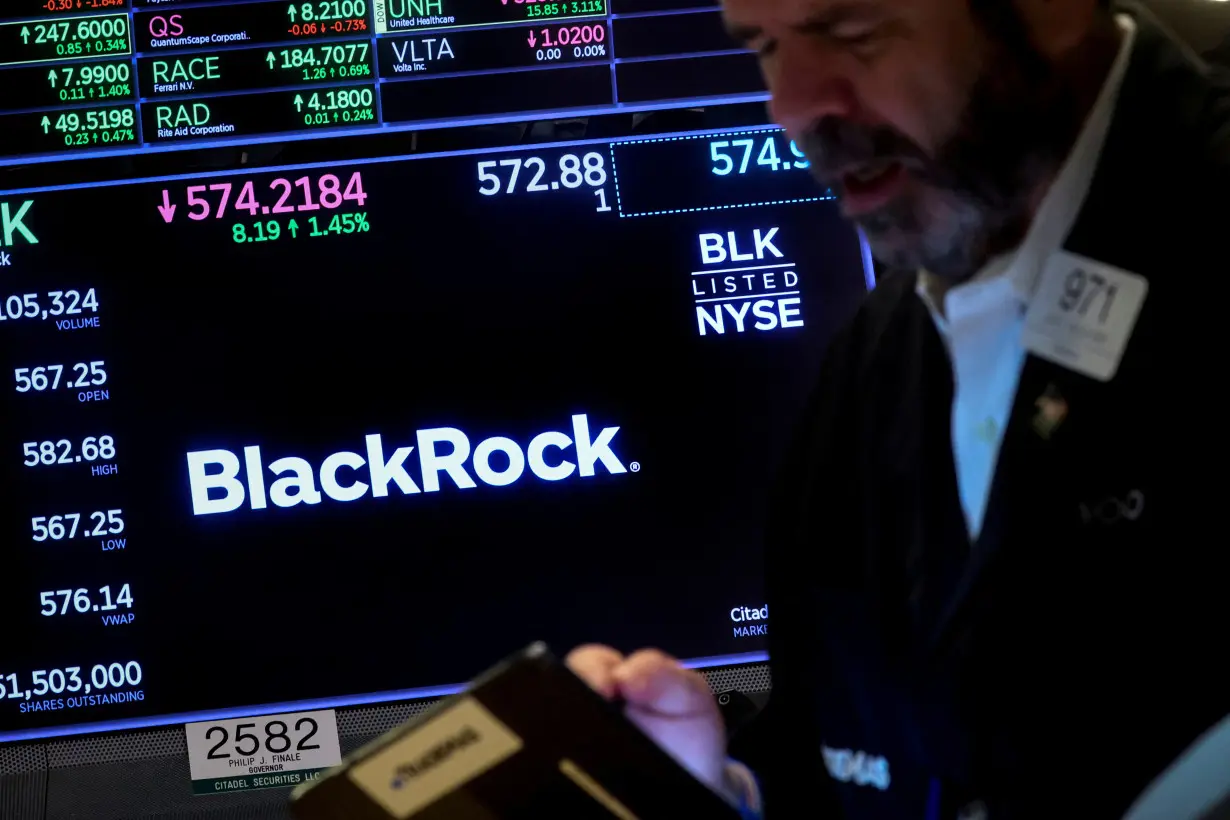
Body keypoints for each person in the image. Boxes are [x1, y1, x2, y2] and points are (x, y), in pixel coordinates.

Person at [568, 0, 1230, 817]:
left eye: (852, 32)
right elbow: (854, 760)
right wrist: (712, 789)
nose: (793, 104)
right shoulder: (875, 362)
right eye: (766, 47)